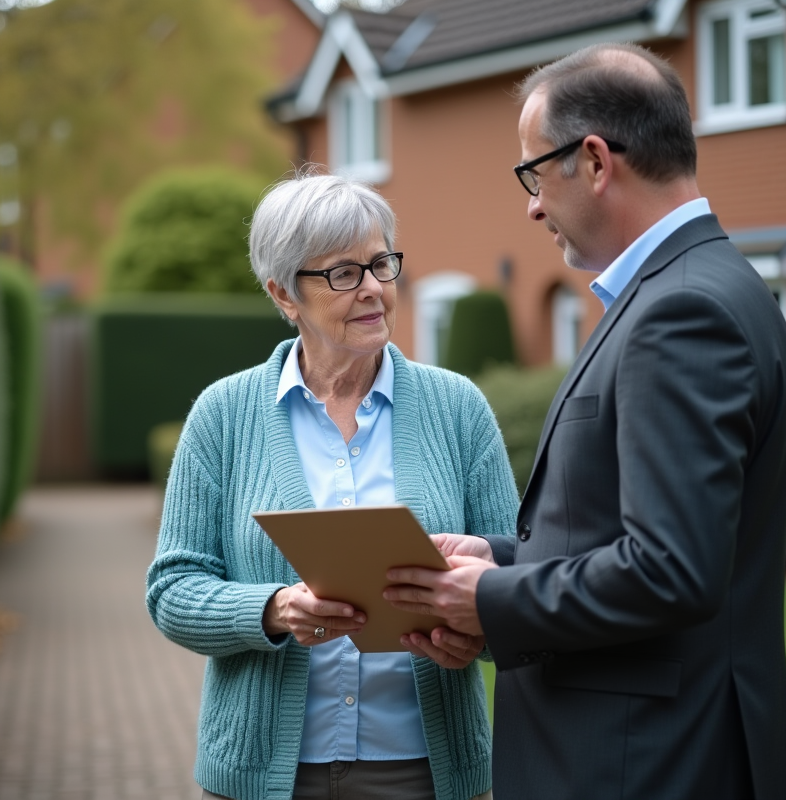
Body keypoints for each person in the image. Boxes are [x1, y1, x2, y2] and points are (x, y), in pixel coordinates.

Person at [384, 43, 786, 799]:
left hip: (645, 763)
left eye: (534, 174)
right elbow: (631, 533)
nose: (532, 205)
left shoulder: (681, 311)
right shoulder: (704, 286)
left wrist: (486, 599)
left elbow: (669, 570)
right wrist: (499, 557)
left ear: (595, 161)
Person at [146, 171, 519, 800]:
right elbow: (172, 590)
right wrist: (273, 610)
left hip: (426, 775)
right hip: (263, 777)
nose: (373, 288)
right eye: (344, 273)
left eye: (381, 264)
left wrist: (475, 633)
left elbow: (518, 575)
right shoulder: (223, 414)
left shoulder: (459, 408)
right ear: (284, 294)